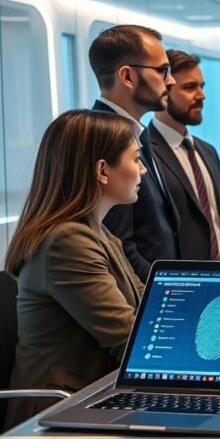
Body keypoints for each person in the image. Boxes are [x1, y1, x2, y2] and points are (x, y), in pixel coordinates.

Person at [3, 110, 145, 429]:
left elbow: (146, 309)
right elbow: (129, 340)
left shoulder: (99, 233)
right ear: (102, 171)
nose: (143, 170)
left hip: (91, 398)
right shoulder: (67, 241)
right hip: (56, 415)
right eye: (136, 159)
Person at [88, 24, 179, 281]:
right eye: (162, 70)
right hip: (139, 295)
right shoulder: (103, 138)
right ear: (127, 76)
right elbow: (119, 245)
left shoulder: (137, 132)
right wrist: (163, 290)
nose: (171, 80)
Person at [149, 50, 220, 262]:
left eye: (202, 86)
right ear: (163, 90)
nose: (201, 95)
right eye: (190, 87)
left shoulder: (207, 151)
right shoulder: (143, 153)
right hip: (188, 276)